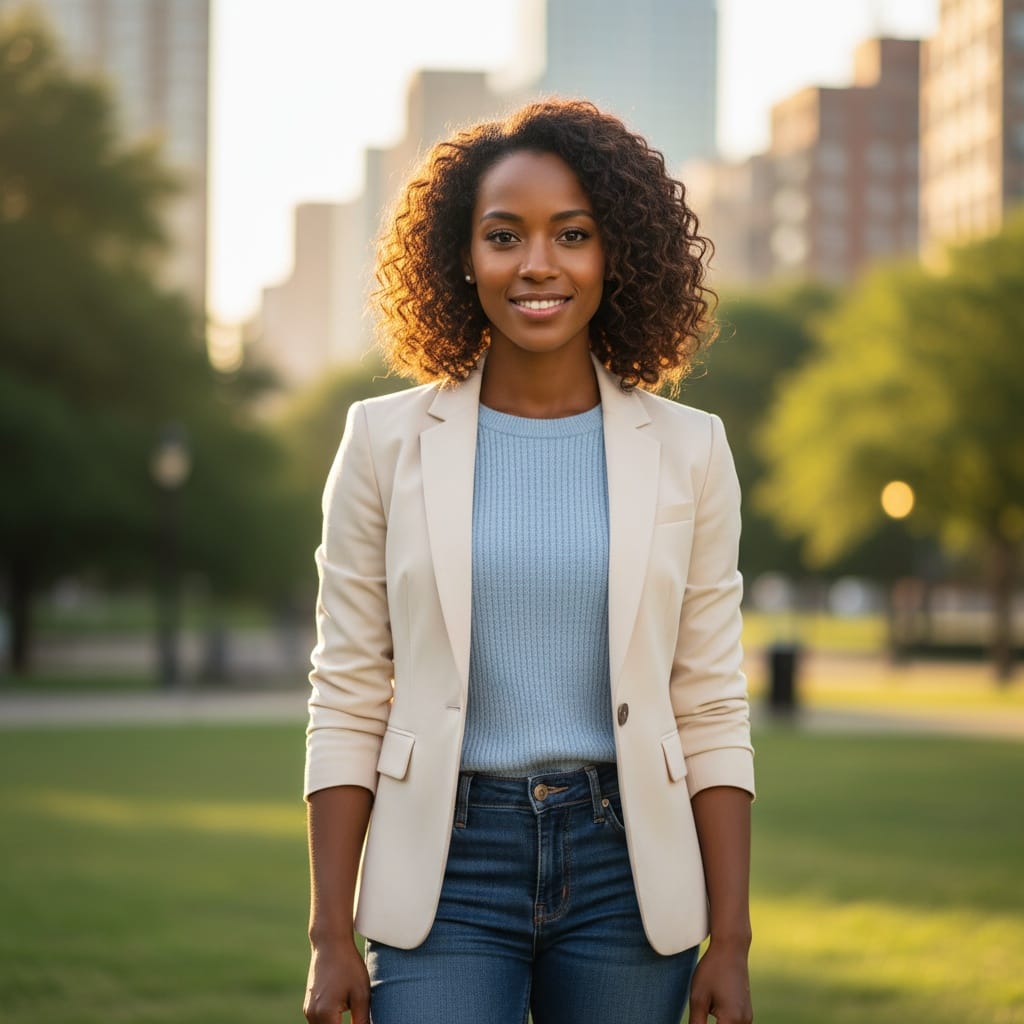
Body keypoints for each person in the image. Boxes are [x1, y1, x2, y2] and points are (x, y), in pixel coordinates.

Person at [302, 99, 754, 1024]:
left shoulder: (692, 448)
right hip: (446, 866)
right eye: (504, 235)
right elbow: (348, 690)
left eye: (573, 234)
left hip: (627, 867)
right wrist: (329, 933)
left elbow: (708, 700)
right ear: (461, 258)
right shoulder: (381, 441)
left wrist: (734, 940)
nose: (538, 264)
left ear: (616, 254)